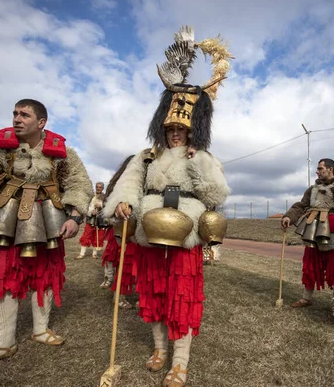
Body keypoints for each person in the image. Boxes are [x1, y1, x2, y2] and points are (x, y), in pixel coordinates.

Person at [104, 26, 232, 387]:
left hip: (185, 235)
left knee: (181, 297)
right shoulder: (147, 156)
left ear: (192, 130)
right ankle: (160, 349)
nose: (176, 134)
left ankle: (180, 362)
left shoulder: (202, 156)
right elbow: (129, 183)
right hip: (148, 233)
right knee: (154, 294)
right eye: (171, 129)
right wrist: (124, 203)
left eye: (182, 129)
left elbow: (216, 194)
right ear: (163, 128)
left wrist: (197, 161)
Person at [0, 99, 92, 370]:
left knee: (46, 273)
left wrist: (74, 216)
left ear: (41, 123)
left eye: (24, 114)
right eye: (14, 113)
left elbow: (78, 183)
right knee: (1, 273)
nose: (16, 118)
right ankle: (3, 343)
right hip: (5, 220)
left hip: (49, 220)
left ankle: (40, 330)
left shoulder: (62, 153)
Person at [281, 158, 334, 308]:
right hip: (313, 234)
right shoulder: (312, 189)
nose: (317, 172)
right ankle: (306, 298)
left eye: (320, 168)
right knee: (310, 266)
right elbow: (301, 206)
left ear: (330, 169)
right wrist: (288, 217)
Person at [100, 155, 138, 310]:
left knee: (126, 263)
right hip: (124, 229)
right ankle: (119, 296)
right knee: (125, 263)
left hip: (126, 229)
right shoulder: (122, 185)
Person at [76, 182, 107, 259]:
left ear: (103, 188)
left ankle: (94, 254)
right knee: (86, 235)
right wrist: (91, 211)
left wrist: (101, 205)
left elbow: (108, 206)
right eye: (97, 187)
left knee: (98, 237)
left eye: (100, 187)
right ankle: (82, 254)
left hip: (100, 220)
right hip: (91, 219)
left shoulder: (105, 197)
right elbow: (86, 206)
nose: (98, 188)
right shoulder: (91, 196)